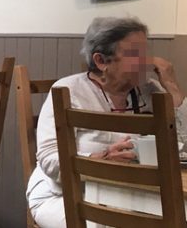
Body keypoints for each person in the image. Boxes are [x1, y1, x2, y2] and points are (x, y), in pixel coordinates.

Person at [27, 16, 187, 228]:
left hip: (132, 193)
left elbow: (183, 142)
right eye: (134, 54)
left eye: (145, 53)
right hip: (65, 196)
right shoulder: (69, 92)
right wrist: (96, 159)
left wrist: (172, 87)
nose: (146, 62)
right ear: (101, 61)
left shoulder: (149, 90)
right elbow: (49, 159)